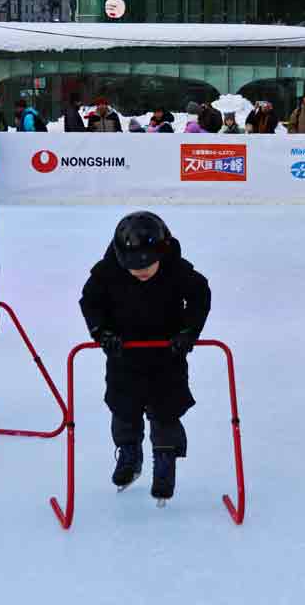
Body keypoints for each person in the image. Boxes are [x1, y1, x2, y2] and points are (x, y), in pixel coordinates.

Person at [79, 212, 211, 503]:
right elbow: (90, 301)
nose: (141, 272)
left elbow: (201, 295)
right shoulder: (108, 271)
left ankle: (165, 461)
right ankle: (129, 454)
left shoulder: (177, 269)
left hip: (168, 354)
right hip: (124, 354)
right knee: (122, 407)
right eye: (133, 267)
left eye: (148, 266)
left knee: (166, 410)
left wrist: (189, 331)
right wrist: (101, 332)